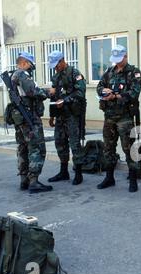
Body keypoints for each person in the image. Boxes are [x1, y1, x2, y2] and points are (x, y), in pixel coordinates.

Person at [96, 45, 141, 192]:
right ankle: (109, 177)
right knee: (108, 148)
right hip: (109, 116)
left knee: (129, 148)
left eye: (119, 59)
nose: (117, 63)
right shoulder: (109, 72)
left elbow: (134, 93)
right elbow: (99, 86)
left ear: (125, 56)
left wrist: (115, 95)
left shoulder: (134, 72)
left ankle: (133, 179)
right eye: (115, 60)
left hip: (125, 117)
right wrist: (103, 91)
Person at [10, 52, 52, 194]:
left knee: (23, 148)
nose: (30, 68)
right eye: (30, 64)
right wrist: (48, 92)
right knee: (36, 148)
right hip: (29, 118)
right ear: (24, 63)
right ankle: (33, 181)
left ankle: (24, 180)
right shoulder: (22, 74)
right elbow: (32, 91)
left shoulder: (14, 75)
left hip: (21, 118)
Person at [47, 51, 87, 186]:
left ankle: (78, 173)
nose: (55, 68)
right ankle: (64, 171)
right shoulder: (55, 77)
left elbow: (80, 93)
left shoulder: (75, 74)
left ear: (62, 60)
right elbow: (53, 97)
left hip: (72, 116)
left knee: (75, 145)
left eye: (57, 64)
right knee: (60, 142)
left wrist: (66, 100)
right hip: (60, 116)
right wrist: (52, 115)